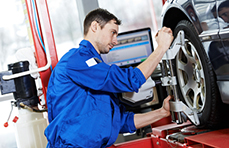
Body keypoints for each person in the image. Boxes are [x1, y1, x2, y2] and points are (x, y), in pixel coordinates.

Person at [44, 8, 173, 148]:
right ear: (95, 26)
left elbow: (120, 122)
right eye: (113, 33)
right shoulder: (77, 60)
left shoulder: (96, 68)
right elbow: (130, 80)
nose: (115, 41)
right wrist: (161, 48)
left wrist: (162, 112)